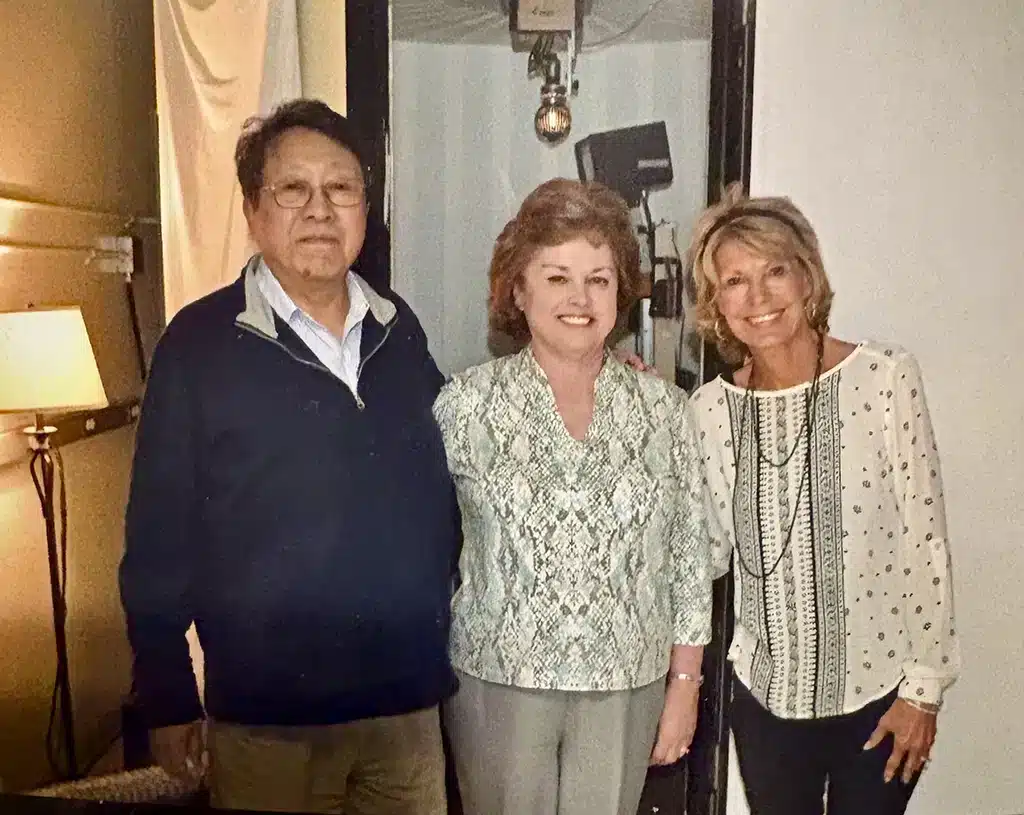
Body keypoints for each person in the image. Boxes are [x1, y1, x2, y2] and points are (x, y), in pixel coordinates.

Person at [119, 99, 459, 814]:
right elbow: (156, 534)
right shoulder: (201, 344)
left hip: (403, 711)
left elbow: (466, 450)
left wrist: (585, 376)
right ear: (253, 210)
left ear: (366, 207)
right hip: (269, 720)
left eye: (340, 188)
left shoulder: (398, 328)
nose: (319, 209)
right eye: (292, 189)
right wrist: (167, 692)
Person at [433, 178, 713, 815]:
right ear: (518, 291)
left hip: (627, 683)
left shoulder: (663, 409)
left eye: (600, 278)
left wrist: (685, 687)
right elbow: (421, 536)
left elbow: (689, 557)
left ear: (621, 293)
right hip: (497, 680)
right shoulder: (466, 402)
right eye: (557, 277)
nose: (580, 298)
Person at [687, 183, 961, 815]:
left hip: (883, 697)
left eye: (774, 272)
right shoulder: (710, 411)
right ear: (716, 303)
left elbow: (928, 539)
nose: (757, 298)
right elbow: (703, 555)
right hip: (766, 703)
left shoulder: (886, 377)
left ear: (807, 278)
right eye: (734, 281)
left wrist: (923, 692)